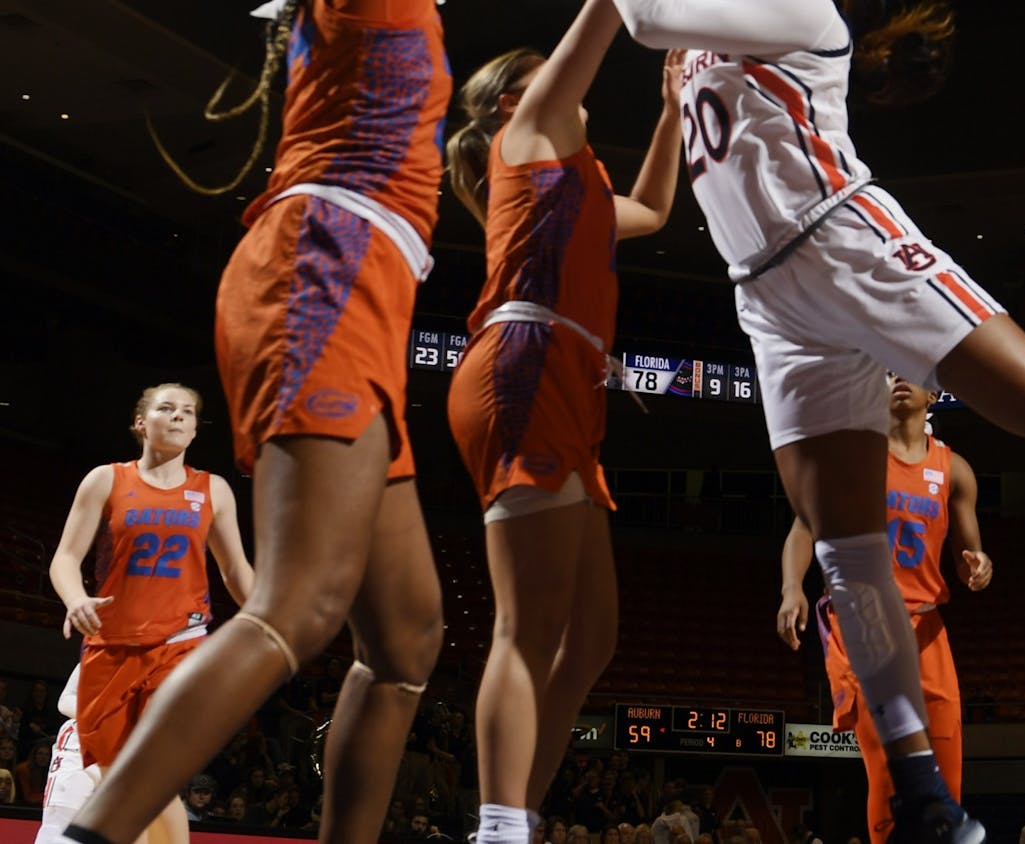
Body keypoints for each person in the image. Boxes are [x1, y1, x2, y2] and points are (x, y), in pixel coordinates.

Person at [612, 2, 1025, 840]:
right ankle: (924, 795)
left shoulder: (798, 11)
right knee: (840, 544)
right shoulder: (707, 26)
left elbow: (645, 17)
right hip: (762, 287)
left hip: (837, 238)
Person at [59, 1, 451, 842]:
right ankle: (93, 835)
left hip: (362, 279)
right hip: (328, 262)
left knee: (407, 637)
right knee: (298, 606)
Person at [442, 4, 681, 844]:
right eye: (541, 73)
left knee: (591, 640)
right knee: (529, 625)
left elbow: (653, 207)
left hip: (569, 382)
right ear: (514, 97)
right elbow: (601, 20)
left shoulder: (580, 180)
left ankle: (522, 813)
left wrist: (674, 108)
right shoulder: (532, 133)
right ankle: (499, 828)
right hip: (525, 365)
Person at [778, 375, 991, 844]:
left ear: (934, 393)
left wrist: (979, 563)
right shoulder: (852, 457)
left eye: (908, 371)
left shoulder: (954, 470)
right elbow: (802, 528)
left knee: (947, 772)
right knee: (889, 767)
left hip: (926, 630)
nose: (897, 379)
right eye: (888, 372)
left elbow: (968, 553)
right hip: (863, 624)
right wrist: (792, 587)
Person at [46, 383, 255, 844]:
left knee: (153, 776)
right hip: (109, 648)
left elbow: (236, 569)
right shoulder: (106, 479)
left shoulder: (212, 490)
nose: (178, 417)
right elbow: (64, 558)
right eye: (166, 408)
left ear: (197, 429)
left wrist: (273, 623)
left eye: (188, 412)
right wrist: (75, 599)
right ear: (141, 423)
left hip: (179, 644)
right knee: (116, 785)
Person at [35, 666, 99, 844]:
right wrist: (102, 718)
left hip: (122, 749)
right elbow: (65, 701)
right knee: (60, 827)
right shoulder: (98, 649)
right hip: (80, 745)